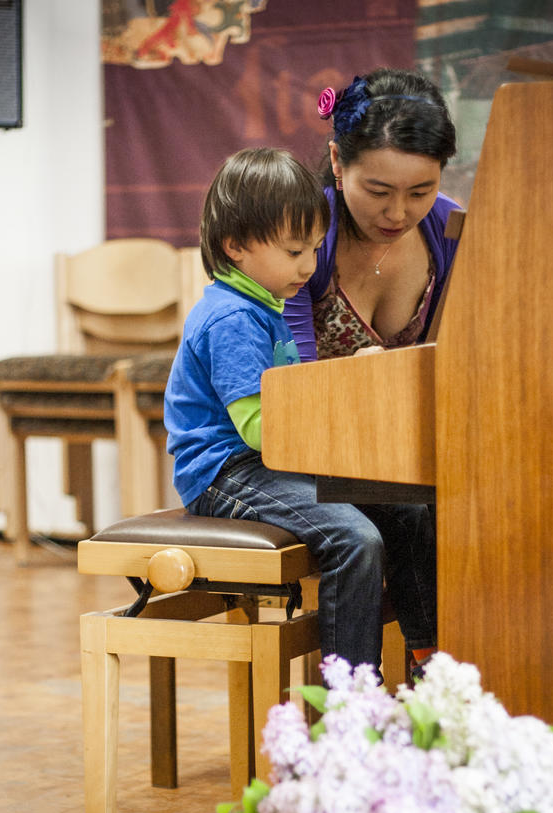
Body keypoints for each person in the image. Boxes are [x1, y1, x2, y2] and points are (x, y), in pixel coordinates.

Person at [164, 147, 437, 680]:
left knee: (409, 511)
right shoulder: (232, 318)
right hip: (226, 473)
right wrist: (341, 409)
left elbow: (289, 410)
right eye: (294, 251)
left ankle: (430, 660)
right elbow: (260, 429)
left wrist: (349, 384)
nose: (309, 267)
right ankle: (350, 695)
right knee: (354, 539)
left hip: (265, 463)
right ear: (235, 246)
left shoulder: (263, 305)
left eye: (314, 249)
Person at [283, 67, 460, 362]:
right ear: (337, 160)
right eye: (378, 192)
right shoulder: (299, 233)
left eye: (420, 193)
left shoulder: (448, 227)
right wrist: (357, 381)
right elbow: (287, 380)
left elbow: (451, 356)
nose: (397, 214)